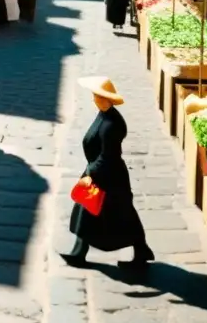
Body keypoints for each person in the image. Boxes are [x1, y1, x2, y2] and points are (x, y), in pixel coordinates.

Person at [62, 77, 153, 271]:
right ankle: (79, 252)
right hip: (100, 171)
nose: (94, 98)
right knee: (89, 210)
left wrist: (91, 172)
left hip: (109, 176)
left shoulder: (112, 124)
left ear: (105, 99)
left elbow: (108, 155)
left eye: (96, 96)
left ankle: (141, 250)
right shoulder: (103, 115)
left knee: (121, 214)